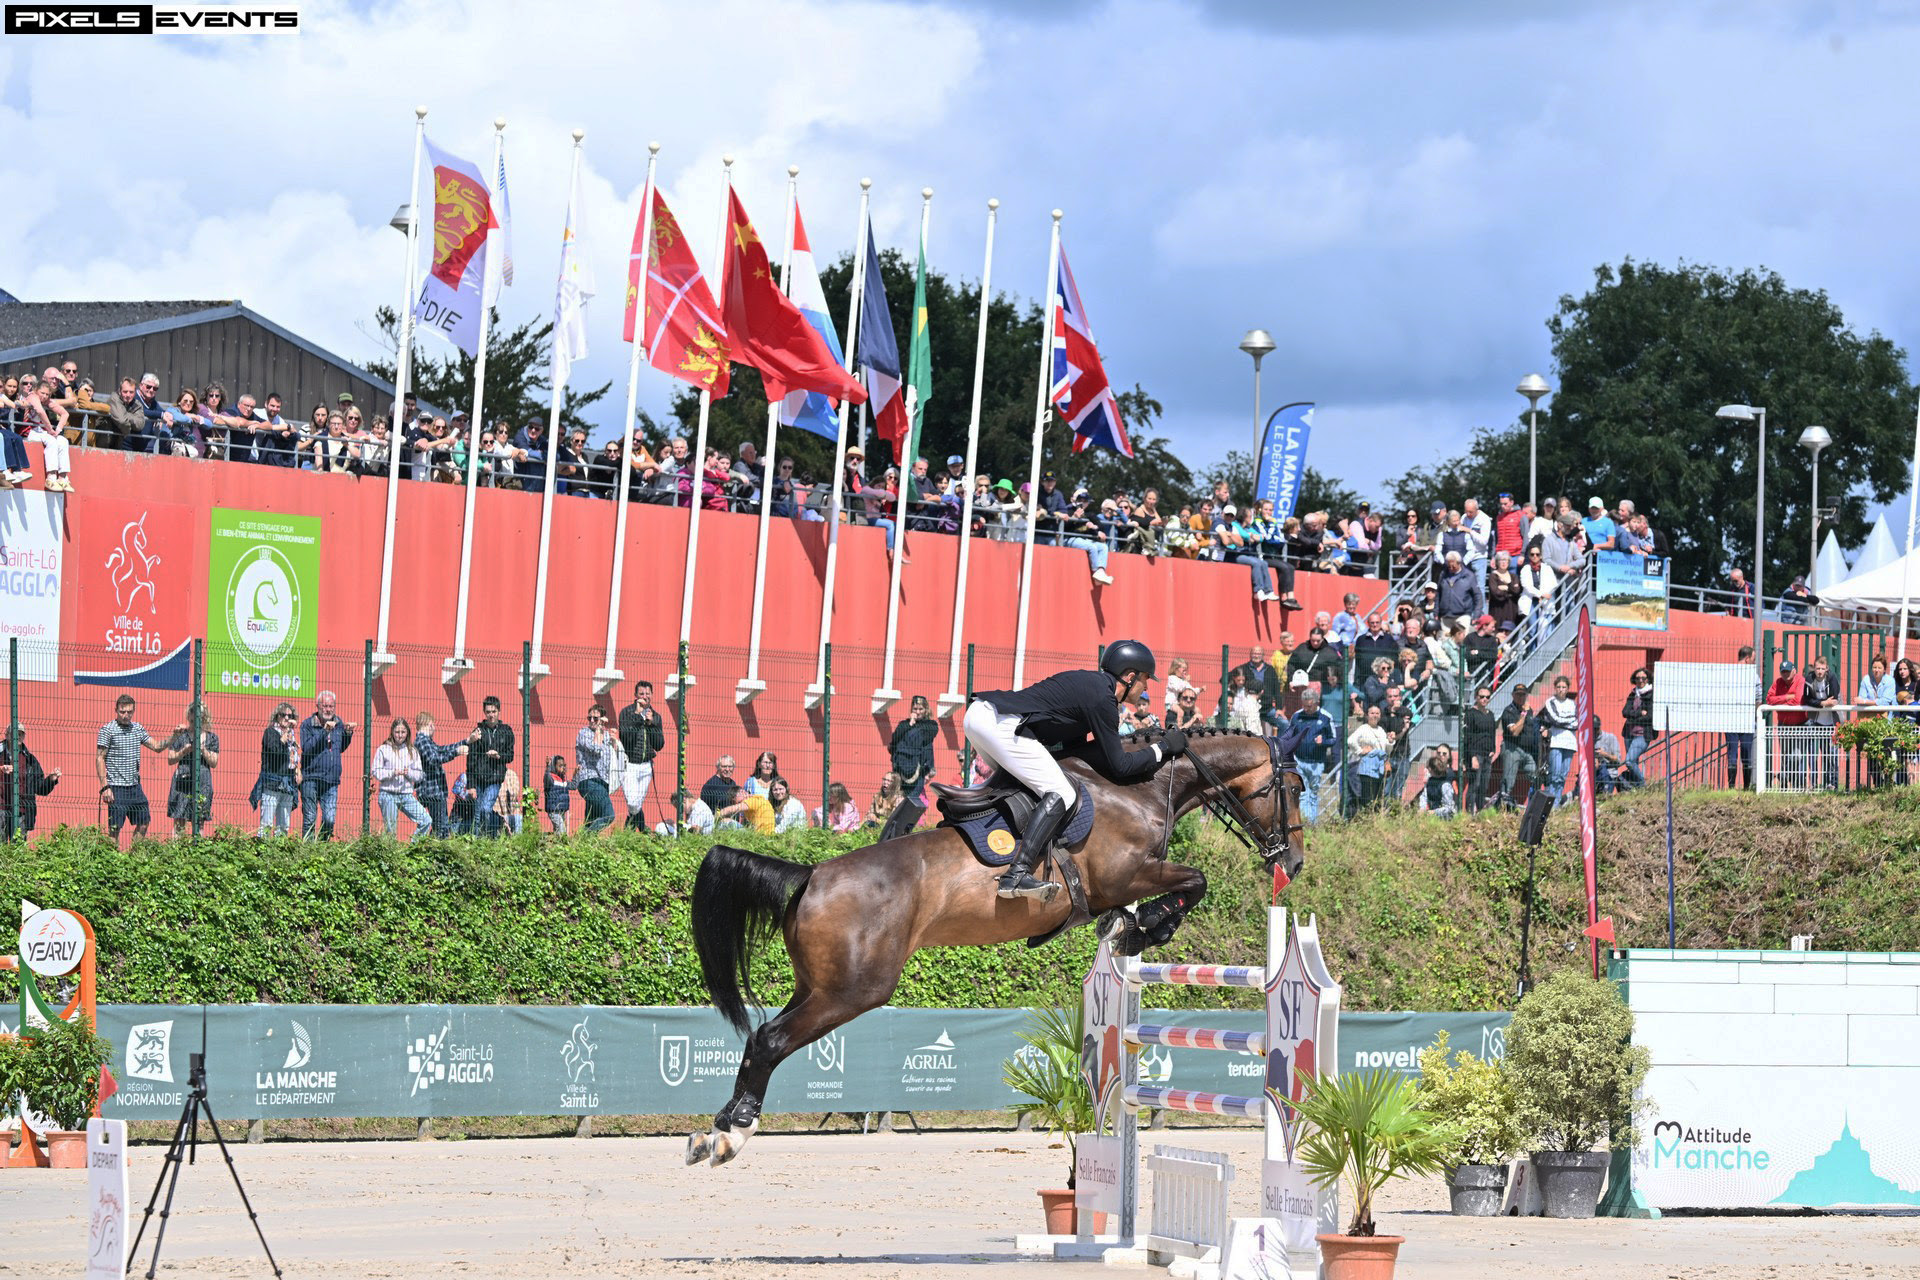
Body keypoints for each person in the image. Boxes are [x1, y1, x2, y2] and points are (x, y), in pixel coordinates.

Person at [965, 639, 1184, 899]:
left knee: (1020, 785)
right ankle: (1017, 874)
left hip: (982, 715)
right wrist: (1163, 748)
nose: (1146, 686)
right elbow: (1121, 766)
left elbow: (1074, 753)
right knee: (1062, 792)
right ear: (1129, 676)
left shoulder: (1092, 688)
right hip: (1001, 724)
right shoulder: (1103, 700)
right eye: (1145, 679)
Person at [96, 694, 166, 841]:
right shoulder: (108, 730)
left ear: (134, 711)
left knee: (144, 822)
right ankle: (112, 861)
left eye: (129, 712)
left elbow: (157, 747)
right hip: (116, 787)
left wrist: (175, 736)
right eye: (122, 712)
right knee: (114, 829)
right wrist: (105, 787)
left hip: (134, 786)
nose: (126, 716)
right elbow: (100, 758)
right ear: (116, 710)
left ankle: (134, 859)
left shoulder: (137, 728)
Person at [299, 690, 356, 841]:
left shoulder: (338, 723)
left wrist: (348, 734)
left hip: (331, 780)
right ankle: (307, 852)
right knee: (310, 818)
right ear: (317, 706)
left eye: (331, 706)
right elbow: (307, 747)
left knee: (330, 819)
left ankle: (322, 850)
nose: (328, 709)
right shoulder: (307, 725)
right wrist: (324, 732)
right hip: (311, 778)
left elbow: (339, 748)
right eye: (325, 706)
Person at [1275, 687, 1332, 824]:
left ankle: (1312, 821)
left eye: (1309, 706)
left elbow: (1333, 739)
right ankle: (1304, 821)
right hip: (1299, 760)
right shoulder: (1297, 716)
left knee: (1313, 791)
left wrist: (1323, 741)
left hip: (1317, 762)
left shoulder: (1325, 717)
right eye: (1304, 705)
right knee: (1302, 792)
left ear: (1316, 703)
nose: (1306, 708)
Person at [164, 702, 220, 836]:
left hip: (203, 781)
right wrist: (184, 751)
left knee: (199, 821)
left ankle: (197, 852)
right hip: (183, 781)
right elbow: (170, 759)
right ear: (189, 716)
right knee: (179, 820)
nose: (195, 720)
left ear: (204, 717)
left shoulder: (212, 738)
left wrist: (203, 750)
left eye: (198, 717)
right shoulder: (181, 735)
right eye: (192, 716)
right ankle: (176, 852)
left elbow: (214, 762)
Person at [372, 717, 433, 840]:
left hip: (406, 794)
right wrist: (392, 773)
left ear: (407, 733)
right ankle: (391, 856)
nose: (400, 735)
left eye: (403, 732)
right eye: (397, 732)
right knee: (391, 831)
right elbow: (376, 772)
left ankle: (413, 848)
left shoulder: (412, 751)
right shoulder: (383, 749)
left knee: (426, 820)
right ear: (392, 732)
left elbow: (419, 775)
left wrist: (408, 773)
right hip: (388, 793)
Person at [466, 695, 516, 837]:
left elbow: (510, 756)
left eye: (493, 711)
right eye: (488, 712)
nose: (491, 715)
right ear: (484, 712)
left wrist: (498, 756)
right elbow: (471, 760)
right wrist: (471, 785)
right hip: (478, 777)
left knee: (485, 809)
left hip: (495, 778)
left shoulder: (506, 731)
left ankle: (487, 836)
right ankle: (478, 843)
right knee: (478, 813)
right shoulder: (478, 732)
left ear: (499, 711)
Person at [618, 680, 665, 830]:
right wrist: (638, 716)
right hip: (629, 764)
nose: (645, 696)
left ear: (652, 695)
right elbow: (625, 738)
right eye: (641, 694)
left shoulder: (656, 716)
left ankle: (629, 833)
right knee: (633, 802)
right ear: (635, 695)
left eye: (647, 693)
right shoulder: (627, 712)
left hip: (646, 766)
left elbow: (659, 745)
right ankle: (642, 828)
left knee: (637, 804)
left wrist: (652, 725)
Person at [414, 711, 468, 838]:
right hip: (432, 792)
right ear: (431, 725)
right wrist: (456, 752)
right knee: (441, 828)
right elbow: (434, 759)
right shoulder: (422, 741)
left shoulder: (427, 741)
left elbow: (442, 749)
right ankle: (437, 852)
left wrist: (464, 742)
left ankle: (433, 849)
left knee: (440, 826)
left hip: (435, 792)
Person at [0, 729, 60, 841]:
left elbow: (40, 788)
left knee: (18, 848)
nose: (17, 737)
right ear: (7, 735)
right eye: (14, 734)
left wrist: (51, 779)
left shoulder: (30, 760)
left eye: (20, 734)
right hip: (1, 809)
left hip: (21, 811)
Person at [252, 702, 301, 837]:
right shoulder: (270, 732)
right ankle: (263, 852)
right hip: (272, 783)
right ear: (276, 716)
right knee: (266, 823)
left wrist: (298, 770)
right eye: (283, 715)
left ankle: (279, 852)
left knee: (284, 825)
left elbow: (294, 757)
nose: (286, 718)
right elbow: (274, 752)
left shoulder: (292, 735)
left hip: (288, 784)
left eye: (289, 715)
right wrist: (283, 740)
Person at [1765, 659, 1810, 790]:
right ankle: (1786, 785)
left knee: (1797, 756)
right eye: (1783, 672)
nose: (1786, 675)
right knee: (1785, 755)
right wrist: (1786, 697)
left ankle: (1785, 776)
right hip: (1784, 725)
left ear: (1794, 671)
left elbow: (1797, 700)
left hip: (1801, 725)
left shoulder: (1800, 680)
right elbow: (1769, 699)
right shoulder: (1778, 682)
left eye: (1788, 672)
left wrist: (1780, 701)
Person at [575, 706, 621, 833]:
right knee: (608, 815)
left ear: (603, 718)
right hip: (589, 780)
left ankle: (582, 844)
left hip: (602, 783)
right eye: (589, 718)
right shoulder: (584, 733)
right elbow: (595, 749)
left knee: (591, 819)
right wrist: (598, 731)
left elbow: (617, 758)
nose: (592, 720)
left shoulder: (607, 735)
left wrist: (614, 742)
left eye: (595, 718)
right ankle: (585, 836)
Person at [1499, 682, 1543, 809]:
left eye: (1523, 695)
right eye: (1518, 695)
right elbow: (1515, 732)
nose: (1521, 697)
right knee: (1509, 780)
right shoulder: (1509, 711)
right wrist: (1523, 714)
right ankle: (1502, 807)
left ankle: (1535, 806)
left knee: (1535, 776)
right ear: (1513, 695)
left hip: (1527, 751)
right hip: (1512, 748)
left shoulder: (1530, 711)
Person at [1801, 655, 1842, 790]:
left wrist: (1823, 702)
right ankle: (1812, 783)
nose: (1819, 671)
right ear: (1814, 668)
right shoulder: (1809, 679)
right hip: (1816, 721)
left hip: (1831, 722)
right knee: (1815, 754)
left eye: (1822, 669)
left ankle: (1833, 783)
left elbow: (1834, 698)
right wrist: (1823, 703)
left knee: (1831, 754)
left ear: (1826, 669)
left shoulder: (1832, 678)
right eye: (1817, 668)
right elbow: (1807, 699)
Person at [890, 696, 938, 805]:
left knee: (911, 801)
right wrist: (910, 723)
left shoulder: (931, 725)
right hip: (901, 769)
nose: (918, 712)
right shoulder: (904, 725)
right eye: (915, 709)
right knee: (898, 801)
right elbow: (894, 739)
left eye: (920, 709)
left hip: (918, 770)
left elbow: (926, 737)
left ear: (926, 710)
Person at [1541, 675, 1579, 806]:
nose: (1561, 689)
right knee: (1554, 774)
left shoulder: (1573, 704)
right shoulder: (1550, 702)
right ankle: (1550, 804)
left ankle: (1556, 803)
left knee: (1563, 775)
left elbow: (1577, 723)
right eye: (1559, 687)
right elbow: (1554, 719)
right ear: (1555, 688)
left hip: (1570, 743)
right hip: (1556, 742)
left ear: (1568, 689)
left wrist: (1563, 720)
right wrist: (1568, 720)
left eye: (1564, 687)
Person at [1346, 704, 1389, 814]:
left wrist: (1391, 741)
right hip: (1367, 765)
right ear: (1367, 715)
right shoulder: (1363, 728)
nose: (1375, 715)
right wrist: (1360, 751)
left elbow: (1385, 747)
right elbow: (1350, 740)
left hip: (1379, 766)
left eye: (1377, 713)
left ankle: (1372, 817)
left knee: (1377, 794)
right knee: (1367, 794)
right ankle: (1365, 815)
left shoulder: (1381, 730)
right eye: (1372, 713)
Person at [1727, 645, 1759, 790]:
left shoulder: (1727, 673)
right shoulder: (1753, 675)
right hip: (1746, 719)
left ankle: (1731, 786)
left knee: (1731, 754)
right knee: (1746, 755)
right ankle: (1746, 787)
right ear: (1747, 659)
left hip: (1730, 719)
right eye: (1753, 659)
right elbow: (1758, 697)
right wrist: (1756, 714)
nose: (1754, 663)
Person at [1462, 685, 1498, 812]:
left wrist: (1493, 749)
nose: (1484, 699)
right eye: (1481, 696)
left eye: (1487, 697)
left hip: (1487, 754)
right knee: (1474, 785)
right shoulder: (1471, 713)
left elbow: (1492, 732)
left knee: (1484, 785)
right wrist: (1472, 757)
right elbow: (1467, 737)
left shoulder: (1490, 715)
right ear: (1476, 697)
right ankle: (1469, 812)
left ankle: (1480, 811)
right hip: (1475, 754)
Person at [1421, 747, 1458, 817]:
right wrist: (1422, 808)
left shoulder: (1445, 785)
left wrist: (1434, 812)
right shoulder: (1430, 781)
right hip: (1433, 815)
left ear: (1431, 769)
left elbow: (1449, 808)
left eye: (1428, 767)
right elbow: (1424, 796)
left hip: (1447, 818)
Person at [544, 755, 574, 835]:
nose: (563, 768)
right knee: (561, 831)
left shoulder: (564, 780)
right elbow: (546, 777)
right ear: (554, 767)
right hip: (554, 811)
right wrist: (548, 766)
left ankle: (551, 843)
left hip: (561, 811)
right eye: (560, 766)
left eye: (564, 765)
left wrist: (576, 774)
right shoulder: (551, 779)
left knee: (558, 831)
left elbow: (574, 786)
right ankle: (560, 845)